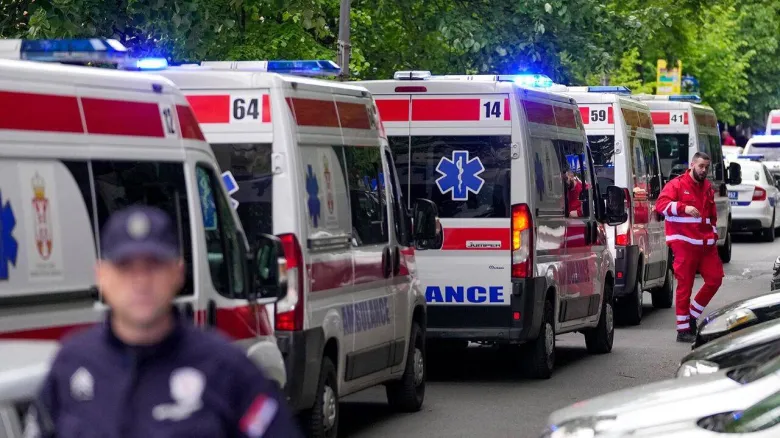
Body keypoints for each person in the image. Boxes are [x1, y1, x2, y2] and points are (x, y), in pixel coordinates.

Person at [24, 205, 302, 438]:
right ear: (102, 276)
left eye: (154, 266)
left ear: (178, 273)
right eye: (125, 267)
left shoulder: (225, 368)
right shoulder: (72, 365)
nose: (141, 282)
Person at [655, 152, 724, 343]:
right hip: (684, 244)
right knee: (685, 287)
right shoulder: (677, 184)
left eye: (706, 167)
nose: (704, 170)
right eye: (701, 166)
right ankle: (683, 329)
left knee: (715, 279)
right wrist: (683, 207)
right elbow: (661, 205)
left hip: (705, 245)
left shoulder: (707, 187)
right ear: (692, 165)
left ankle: (692, 315)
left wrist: (713, 235)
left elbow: (711, 217)